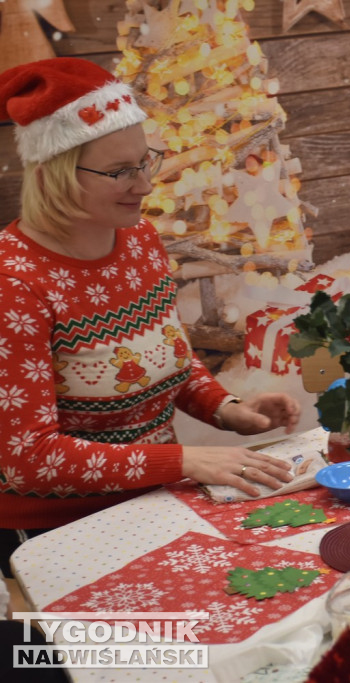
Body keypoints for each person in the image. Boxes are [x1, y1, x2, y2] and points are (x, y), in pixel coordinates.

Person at [0, 58, 301, 576]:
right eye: (119, 171)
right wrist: (186, 461)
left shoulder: (139, 239)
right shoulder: (14, 283)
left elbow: (163, 360)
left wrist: (226, 408)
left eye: (146, 162)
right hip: (54, 534)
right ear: (53, 174)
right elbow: (28, 458)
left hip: (150, 505)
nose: (144, 185)